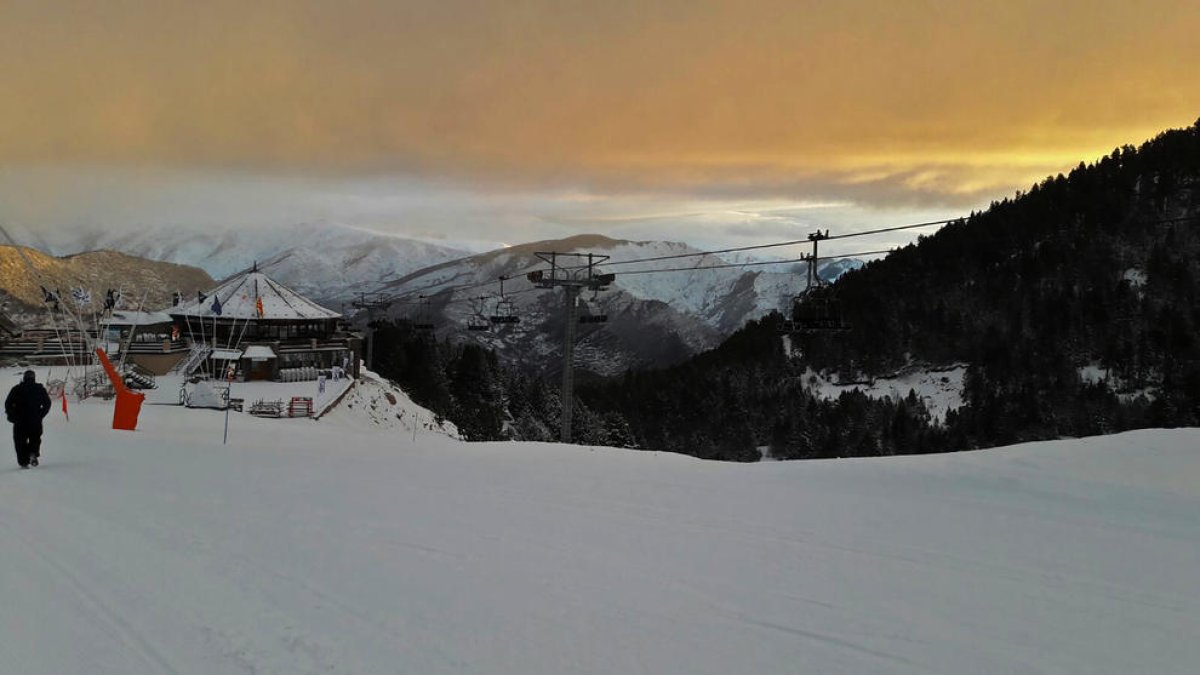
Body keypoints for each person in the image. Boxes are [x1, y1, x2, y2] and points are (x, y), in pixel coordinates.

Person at [6, 370, 52, 469]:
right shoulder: (40, 389)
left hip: (20, 420)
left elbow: (8, 403)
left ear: (24, 378)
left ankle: (23, 462)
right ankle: (33, 453)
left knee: (20, 441)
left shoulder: (17, 389)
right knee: (35, 438)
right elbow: (47, 403)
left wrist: (11, 416)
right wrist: (41, 414)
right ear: (34, 378)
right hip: (35, 420)